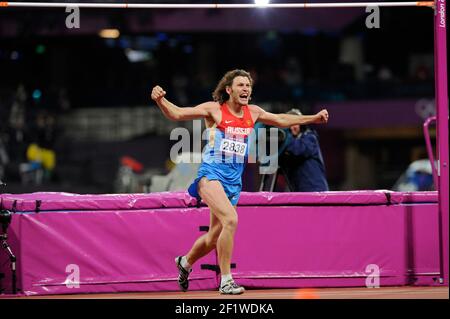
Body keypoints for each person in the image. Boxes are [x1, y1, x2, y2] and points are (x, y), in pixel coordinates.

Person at [151, 69, 329, 295]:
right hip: (210, 175)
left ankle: (184, 263)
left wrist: (313, 118)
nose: (246, 89)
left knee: (213, 237)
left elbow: (281, 119)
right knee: (231, 220)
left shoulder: (252, 112)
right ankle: (226, 280)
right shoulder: (214, 110)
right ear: (229, 90)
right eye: (241, 85)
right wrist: (161, 100)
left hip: (233, 182)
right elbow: (176, 114)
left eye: (248, 86)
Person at [280, 108, 329, 192]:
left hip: (316, 191)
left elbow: (298, 150)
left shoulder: (310, 138)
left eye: (294, 124)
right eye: (289, 125)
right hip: (299, 191)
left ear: (301, 124)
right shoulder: (288, 144)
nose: (292, 128)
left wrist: (283, 139)